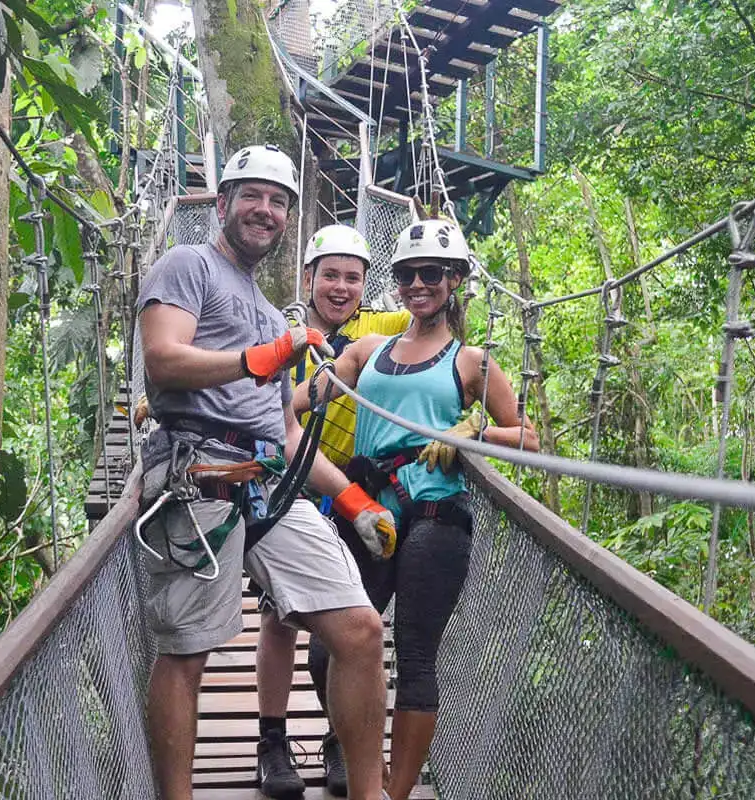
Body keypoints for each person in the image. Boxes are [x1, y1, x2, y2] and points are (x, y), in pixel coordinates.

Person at [133, 145, 399, 800]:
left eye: (279, 200)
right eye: (252, 195)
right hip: (197, 478)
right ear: (222, 204)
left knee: (361, 632)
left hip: (266, 482)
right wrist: (262, 357)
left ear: (286, 221)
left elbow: (286, 431)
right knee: (186, 652)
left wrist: (355, 502)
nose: (266, 209)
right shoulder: (187, 264)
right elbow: (163, 362)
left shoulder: (258, 304)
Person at [316, 218, 537, 800]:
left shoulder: (472, 361)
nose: (419, 284)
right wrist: (251, 376)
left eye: (431, 273)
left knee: (414, 655)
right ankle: (363, 759)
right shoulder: (366, 350)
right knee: (327, 649)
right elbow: (306, 396)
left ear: (454, 279)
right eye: (408, 274)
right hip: (368, 512)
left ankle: (394, 793)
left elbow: (531, 439)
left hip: (437, 513)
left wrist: (475, 431)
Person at [251, 224, 410, 797]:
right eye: (331, 276)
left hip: (352, 485)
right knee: (278, 614)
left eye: (353, 277)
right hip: (288, 483)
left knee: (347, 620)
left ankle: (339, 740)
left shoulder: (381, 327)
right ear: (308, 278)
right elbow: (241, 384)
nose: (341, 287)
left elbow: (433, 318)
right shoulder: (283, 332)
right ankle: (272, 741)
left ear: (366, 285)